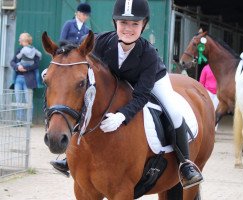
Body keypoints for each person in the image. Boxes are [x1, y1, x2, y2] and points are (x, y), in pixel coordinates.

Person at [51, 0, 203, 189]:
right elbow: (76, 58)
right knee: (86, 104)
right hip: (117, 81)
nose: (128, 29)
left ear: (143, 25)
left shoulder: (149, 55)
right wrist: (57, 71)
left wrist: (122, 116)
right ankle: (70, 156)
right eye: (123, 23)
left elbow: (141, 96)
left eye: (135, 24)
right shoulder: (100, 42)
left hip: (151, 81)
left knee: (173, 111)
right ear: (115, 23)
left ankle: (185, 164)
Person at [10, 32, 40, 123]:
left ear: (24, 40)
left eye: (20, 38)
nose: (19, 40)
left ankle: (28, 121)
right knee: (18, 100)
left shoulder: (34, 51)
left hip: (29, 79)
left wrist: (25, 68)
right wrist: (17, 67)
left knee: (28, 101)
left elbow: (36, 65)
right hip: (18, 78)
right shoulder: (19, 50)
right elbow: (12, 62)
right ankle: (19, 120)